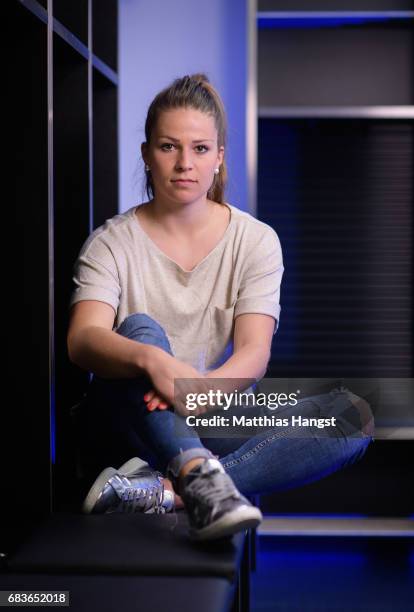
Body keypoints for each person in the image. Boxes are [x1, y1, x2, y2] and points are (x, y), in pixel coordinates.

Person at [68, 74, 374, 541]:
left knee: (354, 415)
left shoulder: (255, 241)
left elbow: (253, 354)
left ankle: (168, 492)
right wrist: (155, 362)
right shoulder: (111, 242)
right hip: (127, 421)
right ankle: (197, 477)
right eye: (169, 147)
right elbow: (83, 340)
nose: (185, 163)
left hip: (205, 406)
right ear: (148, 154)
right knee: (139, 327)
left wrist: (200, 391)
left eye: (200, 149)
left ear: (219, 158)